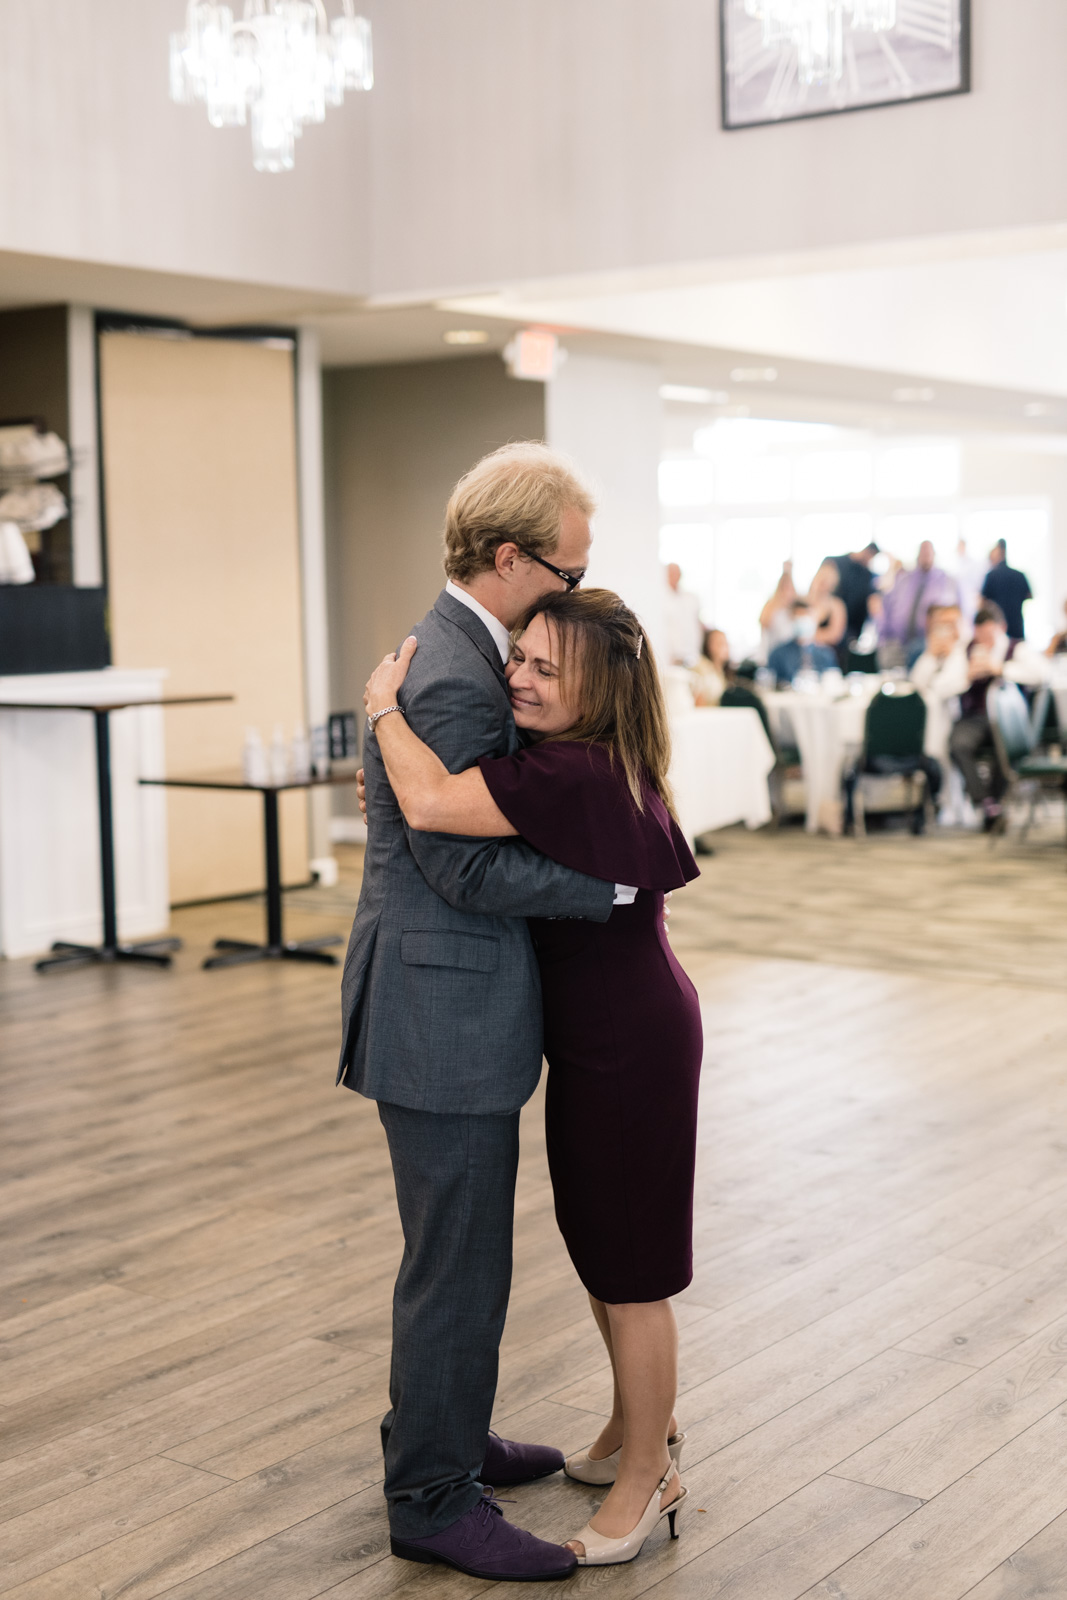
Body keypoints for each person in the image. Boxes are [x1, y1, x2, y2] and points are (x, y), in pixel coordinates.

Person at [364, 586, 702, 1568]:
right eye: (519, 656)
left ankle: (650, 1473)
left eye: (545, 668)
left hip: (625, 1041)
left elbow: (431, 802)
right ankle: (631, 1433)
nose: (517, 675)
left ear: (596, 687)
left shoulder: (572, 774)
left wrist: (384, 708)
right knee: (604, 1246)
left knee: (633, 1271)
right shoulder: (578, 763)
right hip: (608, 1031)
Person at [338, 443, 626, 1584]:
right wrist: (604, 886)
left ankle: (438, 1434)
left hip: (435, 998)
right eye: (563, 572)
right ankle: (430, 1495)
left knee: (453, 1251)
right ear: (508, 558)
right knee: (458, 1264)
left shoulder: (460, 644)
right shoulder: (457, 672)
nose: (570, 593)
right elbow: (460, 870)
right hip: (438, 1005)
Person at [948, 601, 1045, 830]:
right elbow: (942, 685)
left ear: (1000, 627)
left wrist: (1000, 669)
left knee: (1005, 747)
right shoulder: (965, 650)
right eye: (980, 633)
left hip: (1007, 721)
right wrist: (967, 676)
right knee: (958, 744)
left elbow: (1042, 673)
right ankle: (986, 802)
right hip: (975, 717)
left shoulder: (1016, 648)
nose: (985, 638)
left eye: (989, 632)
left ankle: (996, 805)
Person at [910, 604, 969, 812]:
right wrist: (931, 656)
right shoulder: (931, 652)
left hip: (960, 717)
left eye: (952, 624)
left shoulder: (964, 652)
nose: (947, 630)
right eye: (943, 625)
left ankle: (943, 794)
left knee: (939, 728)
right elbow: (916, 682)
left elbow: (947, 686)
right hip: (929, 716)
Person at [877, 541, 959, 670]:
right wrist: (884, 637)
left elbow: (955, 612)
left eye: (928, 552)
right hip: (897, 642)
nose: (925, 555)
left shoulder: (945, 580)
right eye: (923, 551)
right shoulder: (905, 579)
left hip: (927, 644)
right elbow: (888, 607)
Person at [766, 598, 839, 685]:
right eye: (798, 616)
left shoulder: (826, 654)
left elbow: (834, 682)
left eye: (806, 615)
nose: (802, 620)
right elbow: (770, 684)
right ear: (791, 619)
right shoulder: (778, 654)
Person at [981, 539, 1032, 641]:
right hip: (1017, 626)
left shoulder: (991, 576)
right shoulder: (1020, 575)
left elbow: (984, 601)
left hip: (998, 627)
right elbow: (1029, 595)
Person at [832, 542, 879, 653]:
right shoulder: (837, 562)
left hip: (853, 631)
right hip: (835, 621)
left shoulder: (866, 574)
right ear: (867, 552)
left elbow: (872, 600)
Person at [663, 562, 703, 666]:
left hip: (691, 654)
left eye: (677, 573)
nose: (674, 576)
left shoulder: (690, 598)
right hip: (670, 656)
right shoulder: (662, 599)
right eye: (671, 573)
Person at [758, 559, 797, 659]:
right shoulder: (771, 605)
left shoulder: (794, 609)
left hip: (788, 656)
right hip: (772, 654)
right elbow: (763, 621)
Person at [807, 559, 848, 650]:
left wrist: (809, 636)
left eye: (828, 579)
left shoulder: (837, 605)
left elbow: (835, 635)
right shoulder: (805, 601)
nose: (824, 583)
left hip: (826, 653)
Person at [691, 626, 730, 705]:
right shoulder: (701, 668)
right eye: (720, 643)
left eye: (726, 643)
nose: (725, 647)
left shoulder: (720, 671)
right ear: (709, 645)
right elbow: (698, 703)